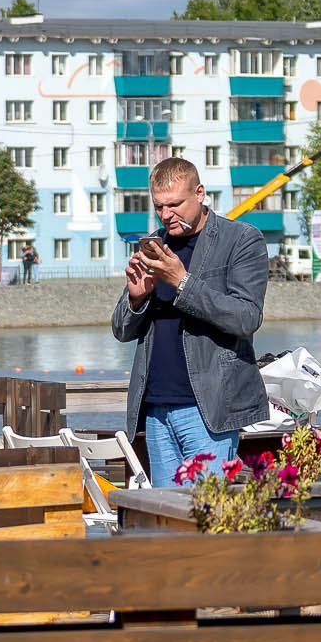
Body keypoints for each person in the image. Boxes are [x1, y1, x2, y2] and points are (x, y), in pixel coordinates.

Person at [110, 157, 269, 484]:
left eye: (175, 204)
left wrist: (182, 281)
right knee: (170, 519)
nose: (167, 215)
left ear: (200, 193)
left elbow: (246, 317)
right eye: (159, 207)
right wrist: (136, 297)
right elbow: (121, 329)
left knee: (206, 516)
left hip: (209, 410)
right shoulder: (156, 245)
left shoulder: (241, 240)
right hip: (156, 410)